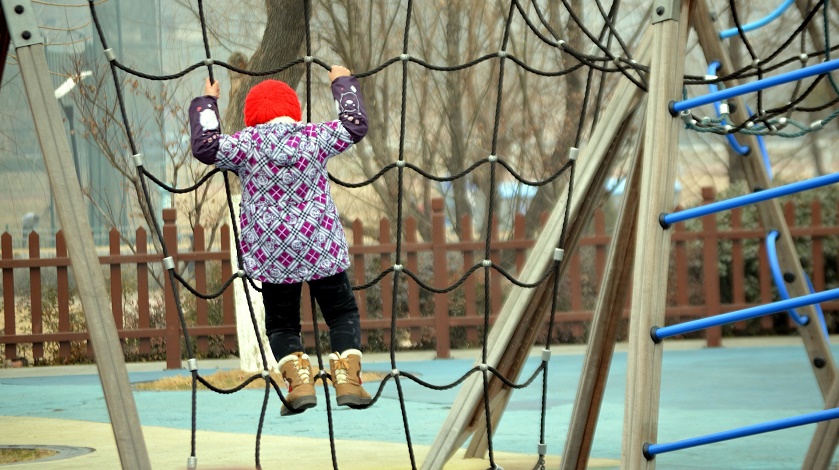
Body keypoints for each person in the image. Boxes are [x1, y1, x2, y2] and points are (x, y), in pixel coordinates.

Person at [189, 65, 371, 416]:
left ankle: (299, 383)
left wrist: (206, 103)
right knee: (341, 311)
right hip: (319, 244)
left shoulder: (246, 144)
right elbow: (354, 125)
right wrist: (342, 84)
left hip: (274, 254)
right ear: (294, 110)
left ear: (251, 115)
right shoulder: (314, 136)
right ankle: (348, 380)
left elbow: (205, 147)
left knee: (282, 323)